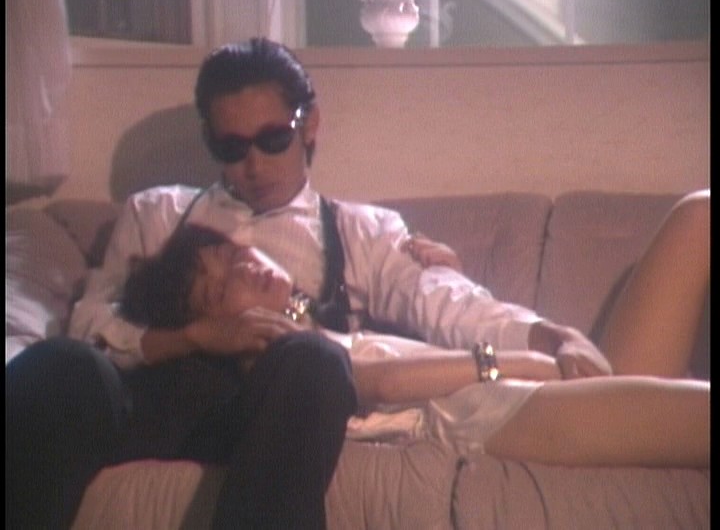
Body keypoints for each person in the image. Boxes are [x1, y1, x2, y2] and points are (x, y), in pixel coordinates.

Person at [68, 37, 611, 380]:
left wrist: (552, 336)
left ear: (309, 126)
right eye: (231, 147)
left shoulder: (362, 232)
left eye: (272, 139)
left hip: (292, 407)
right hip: (173, 407)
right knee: (59, 369)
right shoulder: (157, 215)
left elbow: (449, 307)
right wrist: (189, 340)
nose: (253, 165)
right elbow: (88, 327)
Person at [120, 186, 710, 469]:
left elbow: (444, 309)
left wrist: (549, 336)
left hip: (539, 385)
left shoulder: (319, 318)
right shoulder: (281, 360)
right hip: (495, 413)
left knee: (698, 214)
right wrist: (518, 363)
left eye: (230, 254)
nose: (243, 267)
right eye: (220, 287)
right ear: (219, 327)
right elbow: (380, 382)